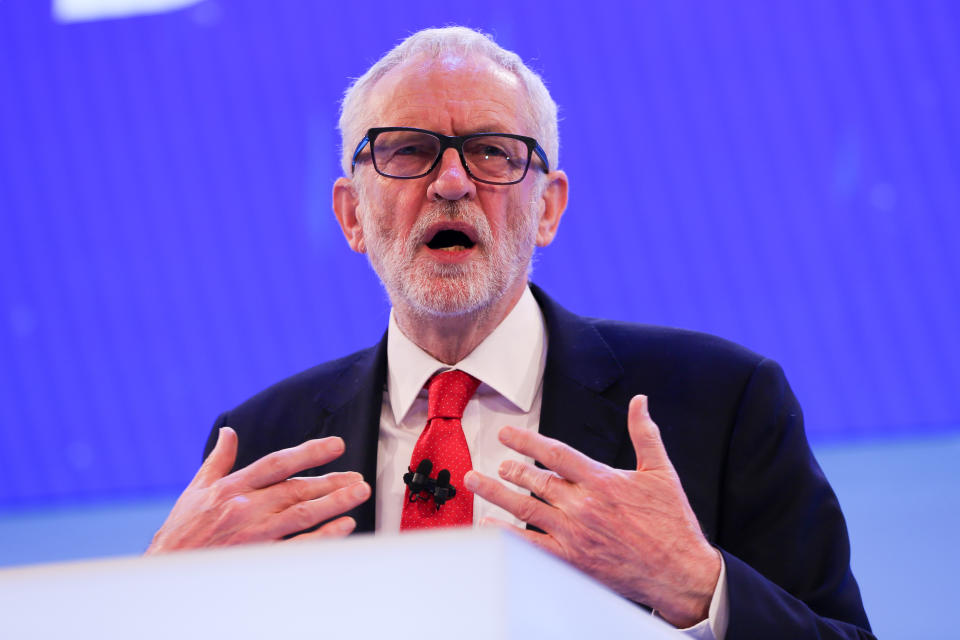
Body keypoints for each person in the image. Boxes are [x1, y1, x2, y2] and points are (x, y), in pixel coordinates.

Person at [146, 27, 873, 639]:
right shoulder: (261, 447)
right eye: (406, 150)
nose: (453, 181)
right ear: (352, 216)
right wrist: (151, 600)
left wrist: (697, 585)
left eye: (494, 151)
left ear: (548, 209)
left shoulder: (719, 403)